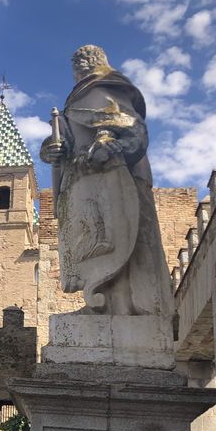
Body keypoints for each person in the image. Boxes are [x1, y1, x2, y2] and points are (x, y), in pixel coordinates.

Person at [40, 44, 173, 317]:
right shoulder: (76, 101)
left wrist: (114, 148)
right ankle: (102, 302)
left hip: (113, 177)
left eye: (81, 64)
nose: (79, 69)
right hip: (85, 180)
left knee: (123, 240)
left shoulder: (109, 88)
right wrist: (51, 149)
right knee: (96, 238)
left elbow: (133, 130)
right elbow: (67, 143)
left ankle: (124, 308)